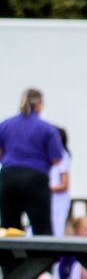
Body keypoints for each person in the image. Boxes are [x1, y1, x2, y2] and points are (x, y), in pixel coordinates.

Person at [0, 88, 65, 235]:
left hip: (8, 176)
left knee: (9, 228)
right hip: (35, 177)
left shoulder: (5, 125)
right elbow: (56, 158)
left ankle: (9, 258)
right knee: (42, 228)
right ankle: (42, 258)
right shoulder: (47, 129)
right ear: (39, 105)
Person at [49, 127, 71, 237]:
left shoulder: (62, 155)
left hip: (58, 199)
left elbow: (64, 184)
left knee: (57, 227)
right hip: (48, 196)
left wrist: (47, 188)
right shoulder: (47, 155)